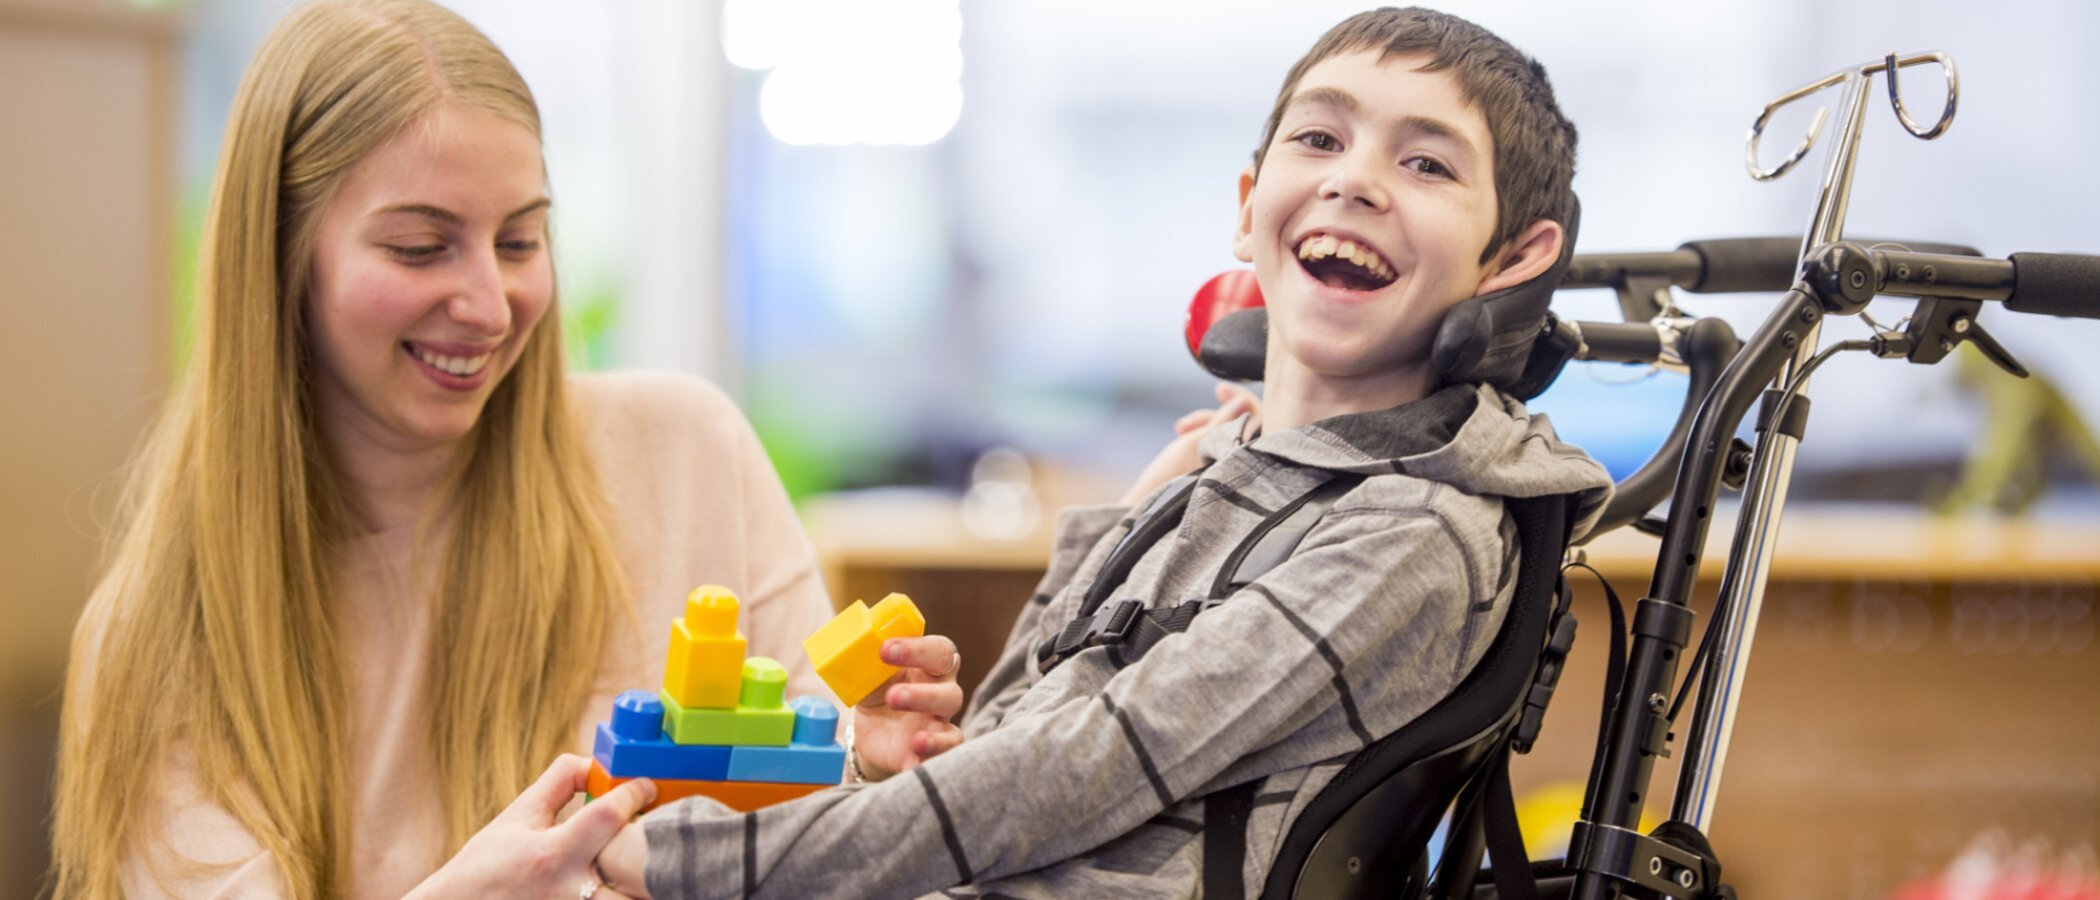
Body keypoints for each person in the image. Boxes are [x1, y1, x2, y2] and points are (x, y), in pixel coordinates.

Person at [594, 6, 1614, 898]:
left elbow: (1074, 772)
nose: (1355, 181)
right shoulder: (1231, 474)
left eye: (1426, 163)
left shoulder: (1415, 530)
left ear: (1514, 258)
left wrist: (691, 865)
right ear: (1247, 206)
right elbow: (1011, 739)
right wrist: (1124, 525)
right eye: (1320, 138)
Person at [49, 2, 965, 896]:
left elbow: (812, 826)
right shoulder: (159, 641)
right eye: (420, 247)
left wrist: (874, 781)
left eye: (520, 240)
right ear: (283, 258)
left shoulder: (688, 454)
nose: (491, 307)